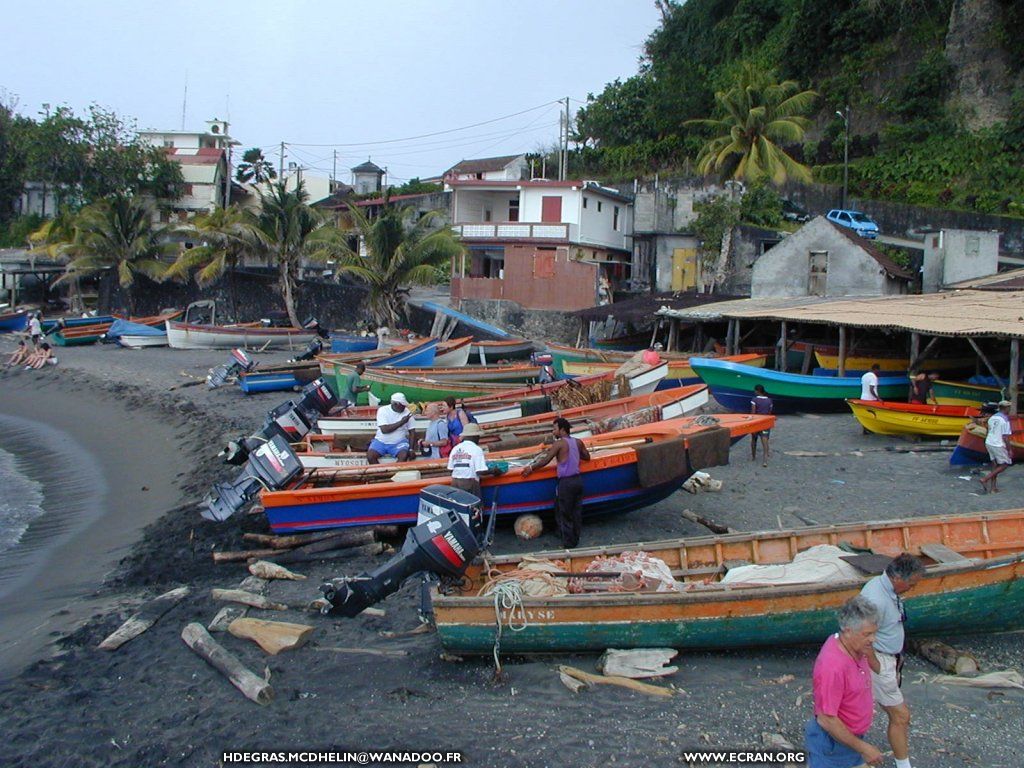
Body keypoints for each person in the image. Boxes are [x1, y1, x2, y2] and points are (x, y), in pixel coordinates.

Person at [860, 554, 926, 768]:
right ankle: (903, 765)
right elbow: (860, 636)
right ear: (898, 578)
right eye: (911, 583)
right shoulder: (875, 600)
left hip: (889, 659)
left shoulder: (883, 587)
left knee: (882, 712)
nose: (912, 588)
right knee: (900, 715)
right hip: (880, 661)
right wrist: (876, 666)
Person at [806, 596, 885, 768]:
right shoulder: (832, 667)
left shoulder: (857, 646)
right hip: (833, 745)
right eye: (867, 634)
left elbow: (877, 668)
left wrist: (868, 650)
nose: (873, 639)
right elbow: (826, 720)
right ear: (848, 631)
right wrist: (864, 749)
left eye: (874, 633)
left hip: (851, 739)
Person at [521, 417, 591, 548]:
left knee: (564, 514)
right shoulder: (578, 442)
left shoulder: (559, 444)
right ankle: (575, 540)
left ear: (562, 429)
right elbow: (587, 457)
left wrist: (531, 468)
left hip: (566, 482)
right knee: (576, 512)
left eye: (554, 429)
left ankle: (568, 545)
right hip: (578, 481)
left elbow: (546, 460)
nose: (553, 432)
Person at [447, 423, 504, 499]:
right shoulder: (476, 449)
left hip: (455, 483)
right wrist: (494, 471)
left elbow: (450, 469)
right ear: (475, 436)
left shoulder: (455, 449)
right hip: (470, 483)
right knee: (474, 507)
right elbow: (480, 471)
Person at [366, 392, 415, 464]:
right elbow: (384, 430)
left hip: (399, 442)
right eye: (403, 405)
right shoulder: (383, 410)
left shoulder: (407, 412)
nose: (405, 407)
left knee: (404, 455)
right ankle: (381, 473)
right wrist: (402, 422)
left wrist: (411, 449)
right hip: (381, 441)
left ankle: (395, 473)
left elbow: (412, 431)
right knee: (370, 456)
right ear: (395, 404)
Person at [979, 399, 1014, 493]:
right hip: (997, 443)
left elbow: (989, 430)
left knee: (995, 465)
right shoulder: (1005, 420)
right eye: (1009, 407)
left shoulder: (992, 417)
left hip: (989, 442)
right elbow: (1005, 437)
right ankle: (985, 479)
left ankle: (993, 487)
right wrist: (1009, 450)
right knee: (1005, 464)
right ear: (1006, 408)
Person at [750, 384, 773, 467]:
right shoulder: (769, 401)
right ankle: (765, 461)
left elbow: (753, 412)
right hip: (765, 423)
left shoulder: (754, 400)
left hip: (756, 423)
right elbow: (770, 412)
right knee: (765, 441)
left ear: (757, 391)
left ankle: (753, 457)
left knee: (754, 440)